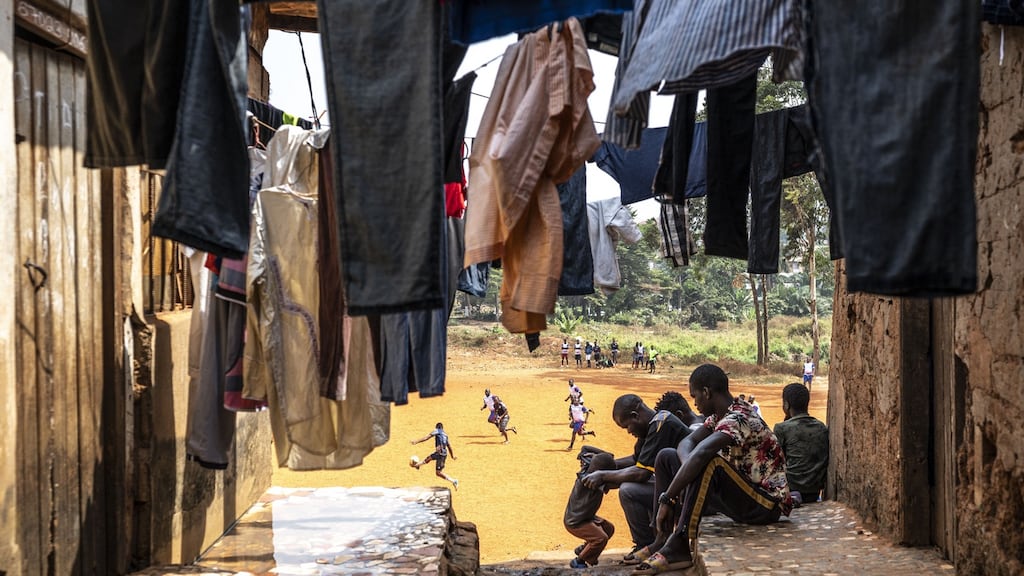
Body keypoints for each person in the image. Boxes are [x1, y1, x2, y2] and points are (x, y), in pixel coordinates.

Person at [637, 364, 791, 574]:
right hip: (743, 497)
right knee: (666, 456)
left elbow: (702, 453)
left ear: (707, 392)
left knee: (710, 461)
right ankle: (661, 539)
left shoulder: (739, 417)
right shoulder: (718, 417)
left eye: (695, 396)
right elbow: (686, 443)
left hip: (765, 505)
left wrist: (668, 497)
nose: (695, 403)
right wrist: (689, 465)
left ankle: (680, 542)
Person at [580, 394, 690, 564]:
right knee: (628, 485)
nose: (629, 431)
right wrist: (605, 464)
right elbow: (637, 460)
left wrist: (603, 475)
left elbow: (641, 472)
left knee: (629, 490)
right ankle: (650, 542)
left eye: (627, 426)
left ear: (635, 415)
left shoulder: (662, 425)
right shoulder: (653, 426)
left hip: (685, 493)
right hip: (675, 488)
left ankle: (645, 544)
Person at [774, 383, 829, 506]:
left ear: (786, 405)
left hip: (791, 488)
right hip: (814, 491)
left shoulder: (782, 428)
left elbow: (776, 458)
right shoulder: (821, 427)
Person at [564, 449, 617, 569]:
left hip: (587, 517)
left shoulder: (588, 469)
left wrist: (595, 456)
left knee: (609, 529)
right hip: (576, 522)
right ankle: (579, 561)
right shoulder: (591, 481)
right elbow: (616, 482)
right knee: (600, 538)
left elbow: (609, 455)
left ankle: (585, 549)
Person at [411, 422, 459, 490]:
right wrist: (452, 456)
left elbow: (426, 438)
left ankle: (454, 481)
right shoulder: (445, 435)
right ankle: (418, 465)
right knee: (431, 460)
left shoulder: (437, 430)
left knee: (437, 471)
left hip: (440, 453)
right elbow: (449, 446)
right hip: (444, 454)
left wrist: (416, 441)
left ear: (437, 427)